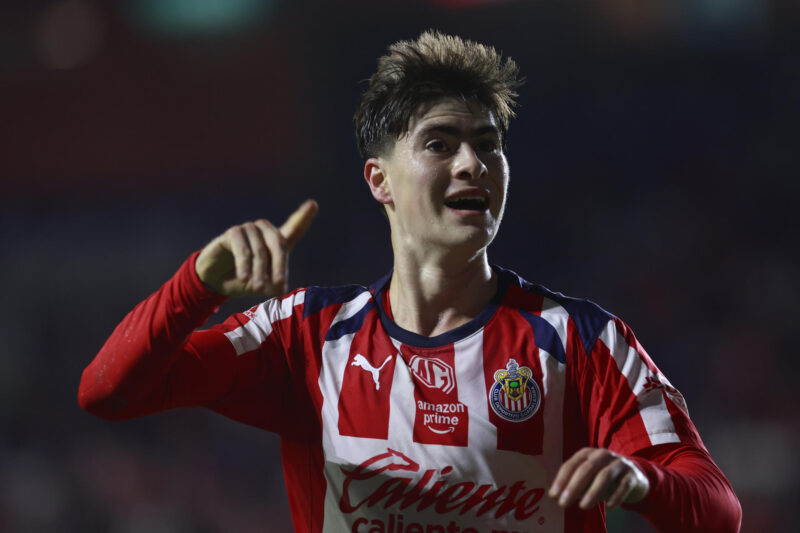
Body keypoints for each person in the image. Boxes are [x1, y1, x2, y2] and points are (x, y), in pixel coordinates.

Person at [79, 31, 741, 532]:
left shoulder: (580, 338)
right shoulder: (305, 334)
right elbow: (108, 391)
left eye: (488, 143)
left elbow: (718, 507)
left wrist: (639, 478)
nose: (473, 163)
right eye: (440, 143)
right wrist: (196, 283)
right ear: (379, 180)